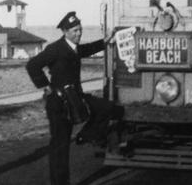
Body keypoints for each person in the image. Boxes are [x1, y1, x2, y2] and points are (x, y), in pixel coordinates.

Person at [26, 11, 123, 185]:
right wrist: (45, 85)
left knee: (107, 108)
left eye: (80, 30)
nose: (78, 34)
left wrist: (105, 41)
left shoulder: (74, 47)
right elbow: (32, 65)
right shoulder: (55, 49)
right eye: (74, 31)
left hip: (76, 98)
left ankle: (85, 135)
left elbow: (87, 49)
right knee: (60, 147)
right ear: (65, 31)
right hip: (59, 104)